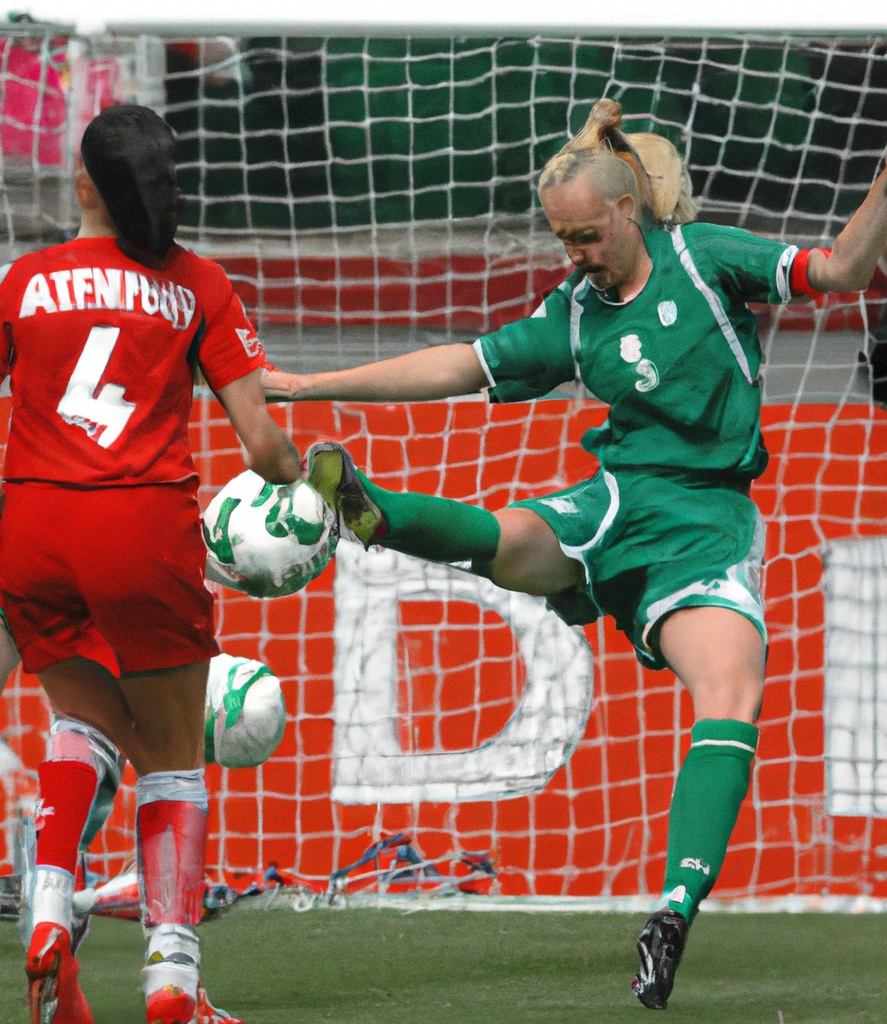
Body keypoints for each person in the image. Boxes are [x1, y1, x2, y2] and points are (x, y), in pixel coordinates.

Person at [263, 144, 887, 1009]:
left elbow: (845, 268)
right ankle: (374, 510)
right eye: (564, 242)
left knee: (730, 695)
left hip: (704, 522)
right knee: (516, 537)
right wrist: (304, 385)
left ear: (630, 210)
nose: (578, 256)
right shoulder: (576, 311)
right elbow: (460, 363)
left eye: (588, 236)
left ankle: (672, 912)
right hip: (618, 498)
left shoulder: (705, 260)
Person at [0, 103, 300, 1024]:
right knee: (171, 763)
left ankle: (51, 912)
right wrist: (309, 486)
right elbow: (260, 444)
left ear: (84, 183)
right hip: (142, 531)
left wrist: (4, 506)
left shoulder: (23, 279)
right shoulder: (199, 284)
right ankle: (173, 980)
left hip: (38, 535)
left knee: (80, 725)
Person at [0, 524, 283, 1024]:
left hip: (27, 532)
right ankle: (171, 977)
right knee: (151, 755)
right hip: (134, 537)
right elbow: (266, 457)